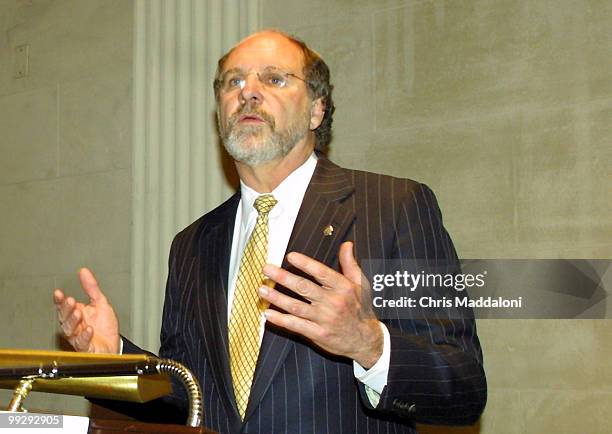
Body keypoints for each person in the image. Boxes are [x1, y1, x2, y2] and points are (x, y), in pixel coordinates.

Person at [54, 30, 486, 433]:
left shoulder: (395, 207)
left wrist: (368, 343)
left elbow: (463, 387)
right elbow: (189, 396)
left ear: (317, 109)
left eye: (275, 79)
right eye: (233, 82)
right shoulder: (191, 244)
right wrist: (114, 359)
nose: (248, 92)